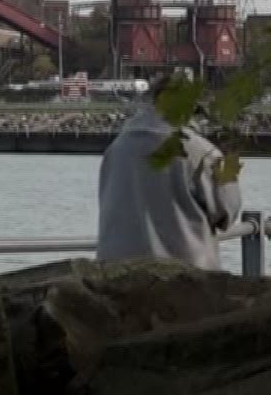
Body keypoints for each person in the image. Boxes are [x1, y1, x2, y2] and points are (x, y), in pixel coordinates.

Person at [97, 75, 242, 271]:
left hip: (115, 273)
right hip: (184, 275)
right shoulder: (200, 151)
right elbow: (227, 211)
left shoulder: (116, 148)